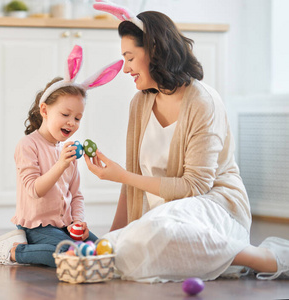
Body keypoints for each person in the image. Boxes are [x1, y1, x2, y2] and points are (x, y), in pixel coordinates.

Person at [84, 1, 289, 282]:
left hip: (214, 208)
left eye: (130, 58)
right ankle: (211, 257)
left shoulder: (203, 102)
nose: (125, 69)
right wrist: (109, 241)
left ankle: (260, 257)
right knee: (132, 241)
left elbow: (195, 187)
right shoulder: (139, 104)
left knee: (159, 231)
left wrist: (124, 176)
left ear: (154, 51)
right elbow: (131, 183)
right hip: (163, 218)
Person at [0, 45, 123, 267]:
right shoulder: (28, 145)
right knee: (69, 255)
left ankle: (68, 243)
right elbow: (35, 190)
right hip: (36, 228)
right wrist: (61, 164)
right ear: (44, 110)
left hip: (65, 226)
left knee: (104, 252)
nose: (72, 122)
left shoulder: (69, 151)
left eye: (78, 118)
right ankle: (13, 251)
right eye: (65, 114)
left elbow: (76, 195)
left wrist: (78, 222)